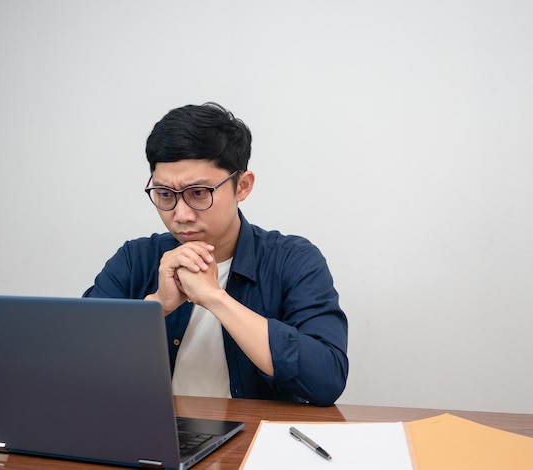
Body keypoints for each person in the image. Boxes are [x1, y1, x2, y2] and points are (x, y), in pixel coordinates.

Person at [84, 102, 348, 406]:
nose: (180, 215)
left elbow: (327, 380)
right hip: (153, 439)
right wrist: (157, 305)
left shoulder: (293, 260)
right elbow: (78, 365)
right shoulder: (136, 259)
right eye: (165, 195)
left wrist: (215, 298)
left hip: (255, 443)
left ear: (243, 186)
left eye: (198, 193)